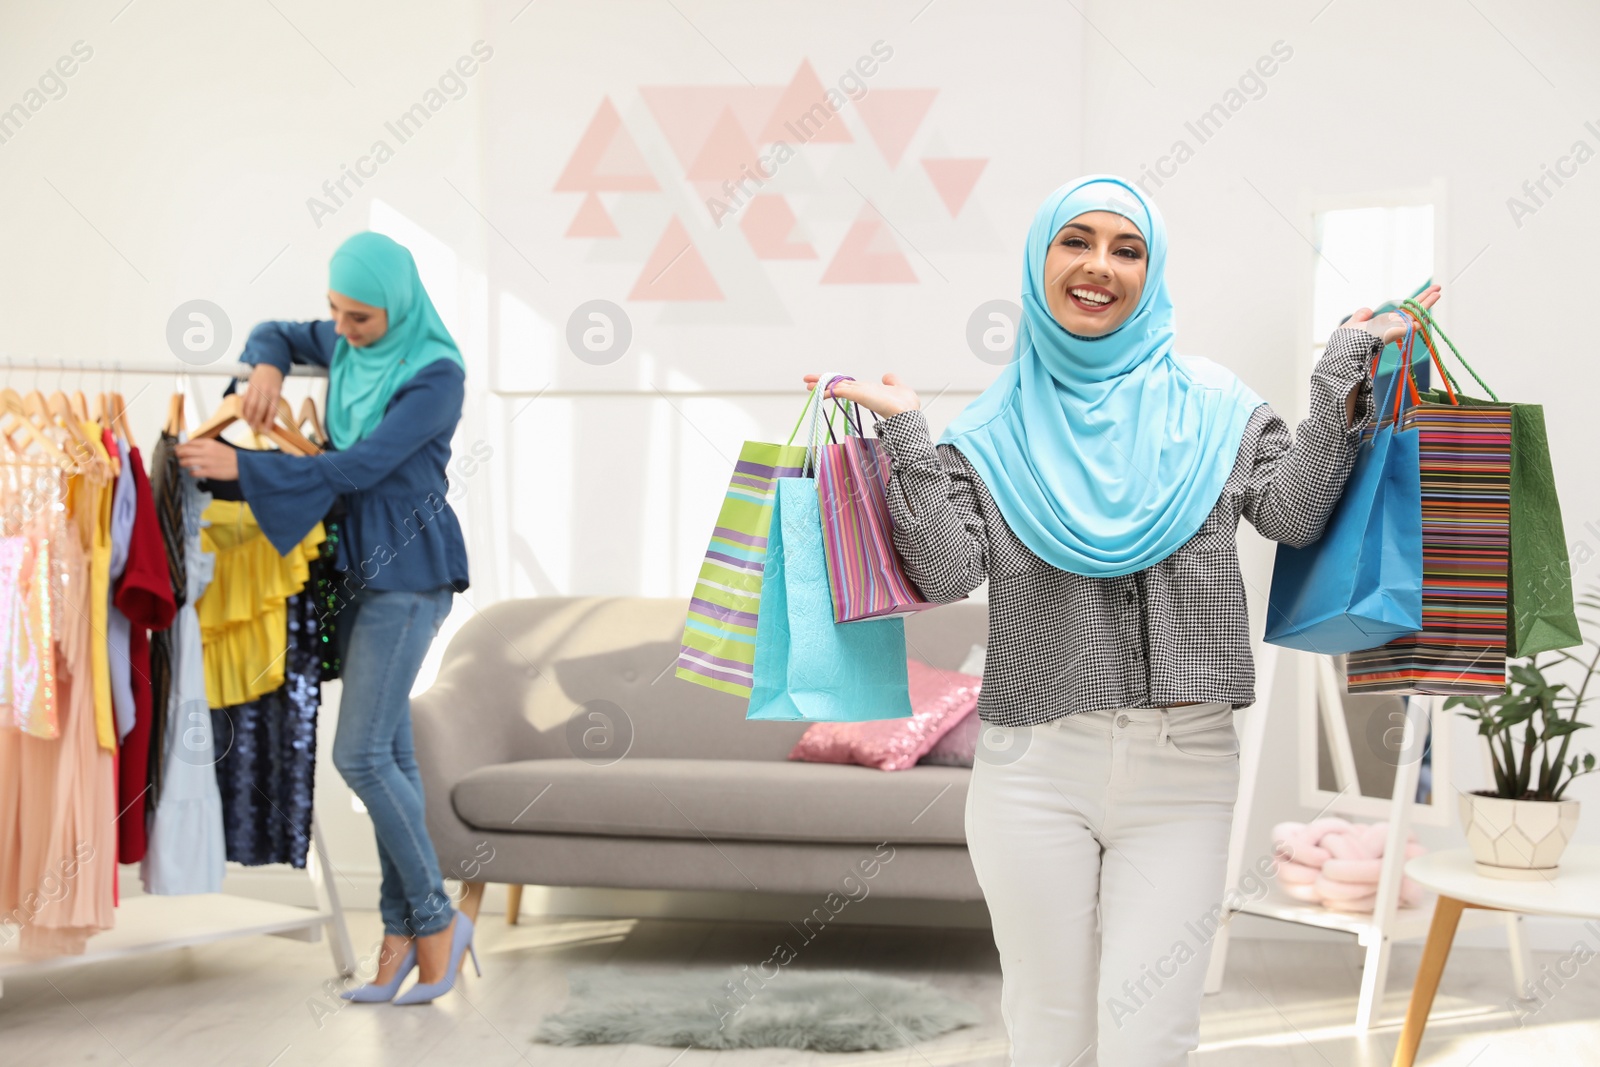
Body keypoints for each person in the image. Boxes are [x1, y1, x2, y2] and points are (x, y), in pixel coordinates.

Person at [806, 174, 1439, 1066]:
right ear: (1039, 262)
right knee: (1048, 1033)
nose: (1100, 265)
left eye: (1127, 248)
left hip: (1185, 768)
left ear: (1152, 271)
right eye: (1077, 240)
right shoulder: (990, 434)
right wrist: (909, 435)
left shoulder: (1217, 412)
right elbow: (947, 573)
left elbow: (1293, 517)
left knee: (1152, 1035)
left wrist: (1340, 369)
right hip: (1034, 768)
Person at [175, 231, 477, 1006]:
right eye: (335, 314)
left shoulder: (436, 375)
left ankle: (438, 921)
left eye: (360, 320)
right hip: (352, 571)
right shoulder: (347, 341)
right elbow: (276, 331)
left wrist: (244, 466)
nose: (342, 332)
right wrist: (268, 363)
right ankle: (400, 932)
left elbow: (359, 466)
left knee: (362, 757)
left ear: (398, 309)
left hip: (409, 572)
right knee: (393, 758)